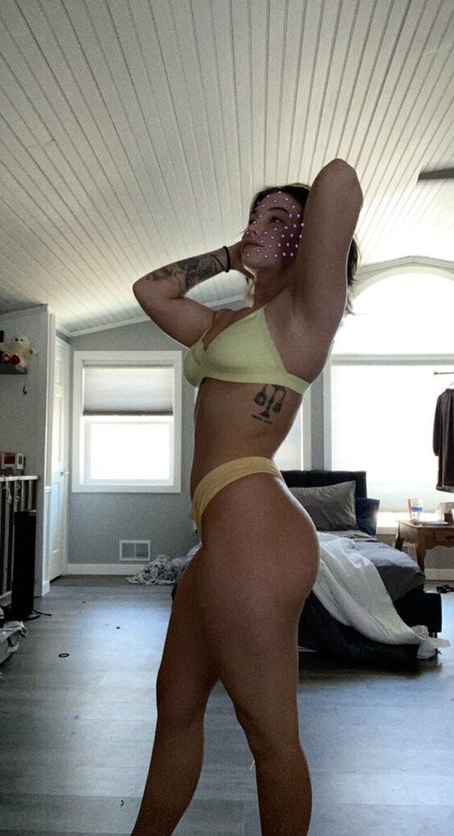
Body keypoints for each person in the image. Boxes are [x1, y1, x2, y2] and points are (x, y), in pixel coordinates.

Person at [131, 158, 363, 836]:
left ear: (310, 242)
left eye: (279, 219)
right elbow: (150, 291)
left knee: (270, 735)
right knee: (176, 706)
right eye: (254, 215)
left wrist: (301, 230)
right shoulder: (222, 323)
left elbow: (341, 180)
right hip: (221, 537)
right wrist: (237, 252)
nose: (260, 224)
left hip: (257, 528)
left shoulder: (304, 317)